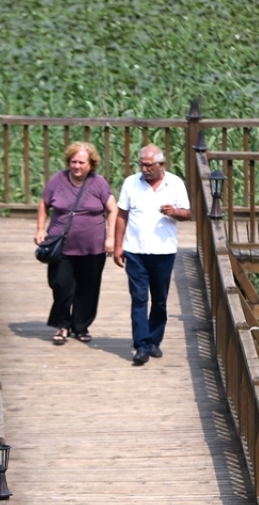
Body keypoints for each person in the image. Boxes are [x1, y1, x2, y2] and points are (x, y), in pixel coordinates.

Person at [112, 145, 191, 365]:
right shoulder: (131, 183)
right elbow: (121, 215)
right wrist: (118, 246)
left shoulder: (174, 183)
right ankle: (142, 346)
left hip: (163, 251)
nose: (145, 169)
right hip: (135, 250)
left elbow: (187, 213)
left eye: (149, 165)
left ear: (161, 165)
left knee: (159, 300)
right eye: (142, 164)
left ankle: (155, 340)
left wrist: (174, 212)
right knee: (138, 298)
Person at [35, 141, 118, 345]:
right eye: (73, 162)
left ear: (91, 164)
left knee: (88, 288)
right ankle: (62, 324)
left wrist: (110, 237)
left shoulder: (98, 183)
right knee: (61, 285)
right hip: (61, 245)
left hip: (93, 246)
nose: (77, 166)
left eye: (81, 162)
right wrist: (40, 229)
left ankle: (81, 327)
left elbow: (113, 209)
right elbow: (44, 204)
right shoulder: (58, 180)